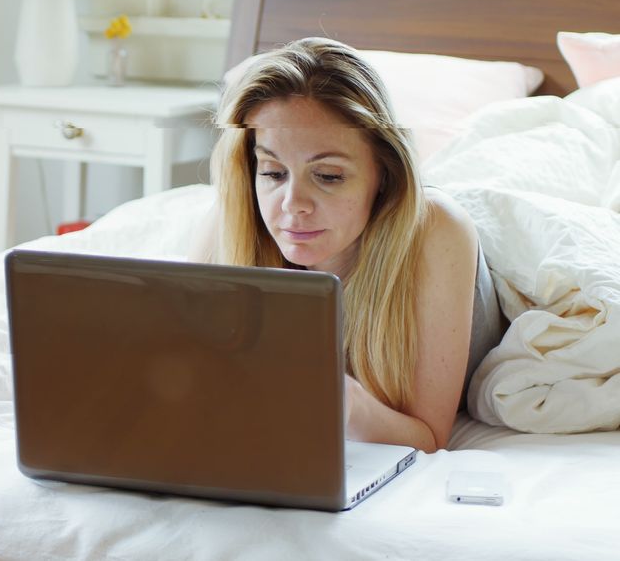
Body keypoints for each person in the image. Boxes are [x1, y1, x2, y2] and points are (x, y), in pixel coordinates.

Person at [189, 37, 505, 452]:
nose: (292, 205)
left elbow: (429, 437)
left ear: (383, 175)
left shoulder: (437, 230)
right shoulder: (235, 218)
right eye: (272, 172)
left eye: (329, 176)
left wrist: (348, 402)